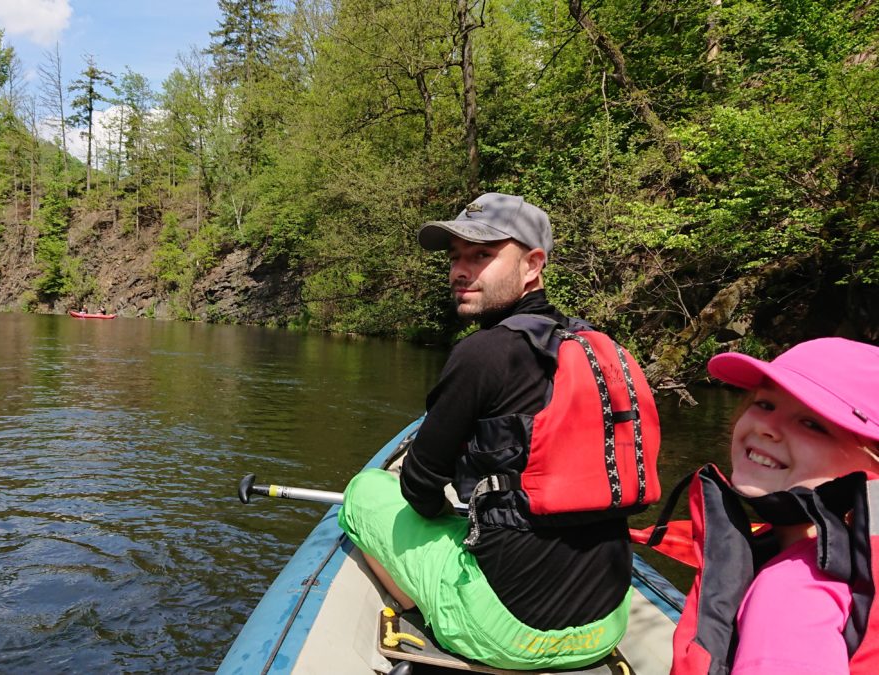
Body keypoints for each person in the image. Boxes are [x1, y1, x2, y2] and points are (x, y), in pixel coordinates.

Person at [338, 193, 659, 670]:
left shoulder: (482, 354)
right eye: (455, 258)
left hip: (509, 636)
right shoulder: (600, 349)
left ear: (533, 264)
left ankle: (418, 607)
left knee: (365, 491)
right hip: (604, 625)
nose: (460, 271)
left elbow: (420, 488)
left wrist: (458, 509)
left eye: (482, 255)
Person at [665, 338, 879, 674]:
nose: (767, 427)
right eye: (764, 404)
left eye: (813, 424)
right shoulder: (848, 557)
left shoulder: (790, 598)